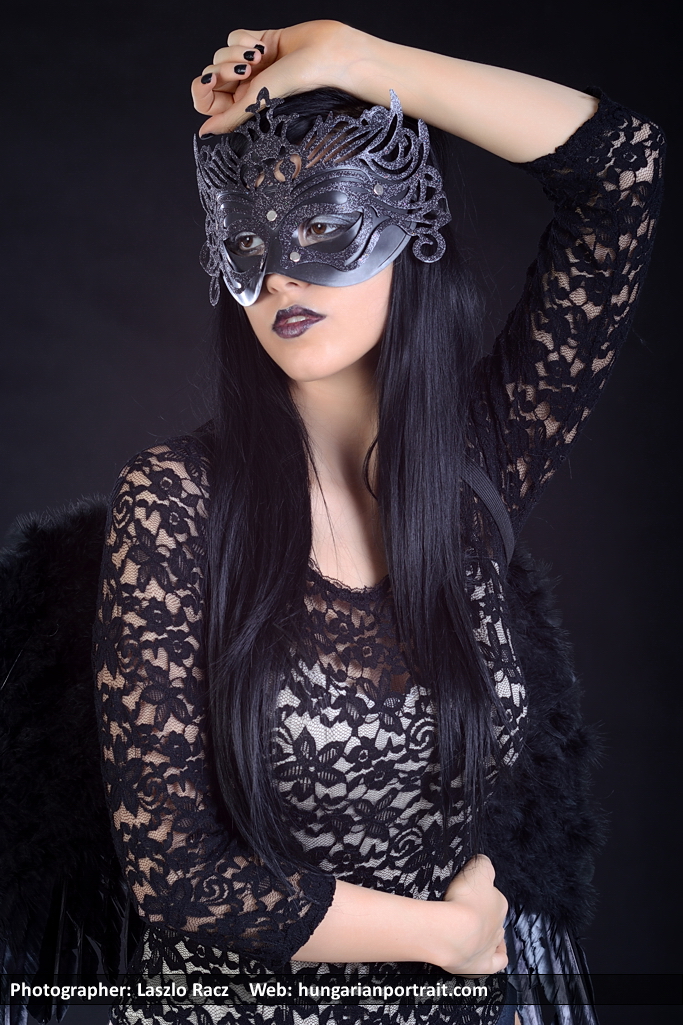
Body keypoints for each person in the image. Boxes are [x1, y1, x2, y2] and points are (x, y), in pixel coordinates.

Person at [92, 20, 664, 1025]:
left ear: (411, 225)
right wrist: (443, 937)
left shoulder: (476, 466)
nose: (280, 272)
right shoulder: (174, 501)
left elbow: (623, 168)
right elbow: (175, 873)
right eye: (248, 240)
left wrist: (358, 61)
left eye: (321, 222)